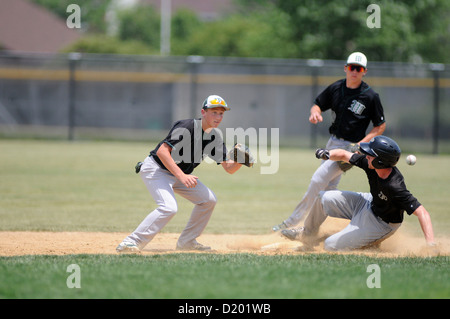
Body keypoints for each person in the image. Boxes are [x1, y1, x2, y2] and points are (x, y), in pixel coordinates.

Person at [273, 52, 387, 236]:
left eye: (359, 69)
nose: (354, 71)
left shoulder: (370, 96)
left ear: (364, 71)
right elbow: (317, 103)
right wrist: (315, 112)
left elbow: (380, 126)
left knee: (318, 179)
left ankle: (292, 222)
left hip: (350, 148)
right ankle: (310, 231)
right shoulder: (336, 88)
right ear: (345, 68)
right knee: (328, 190)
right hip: (332, 142)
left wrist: (359, 145)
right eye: (351, 67)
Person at [116, 95, 243, 253]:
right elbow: (163, 151)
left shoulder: (214, 137)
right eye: (214, 112)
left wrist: (240, 160)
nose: (218, 117)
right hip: (157, 169)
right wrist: (182, 176)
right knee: (169, 207)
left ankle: (187, 242)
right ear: (203, 112)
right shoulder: (187, 126)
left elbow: (229, 168)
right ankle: (129, 242)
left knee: (208, 200)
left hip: (178, 174)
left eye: (221, 113)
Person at [282, 135, 436, 251]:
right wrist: (327, 154)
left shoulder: (395, 187)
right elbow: (344, 155)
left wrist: (430, 244)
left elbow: (423, 213)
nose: (366, 155)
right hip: (368, 202)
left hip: (382, 224)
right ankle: (308, 233)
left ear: (380, 161)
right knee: (324, 197)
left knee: (330, 246)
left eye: (370, 154)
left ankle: (370, 243)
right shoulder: (371, 164)